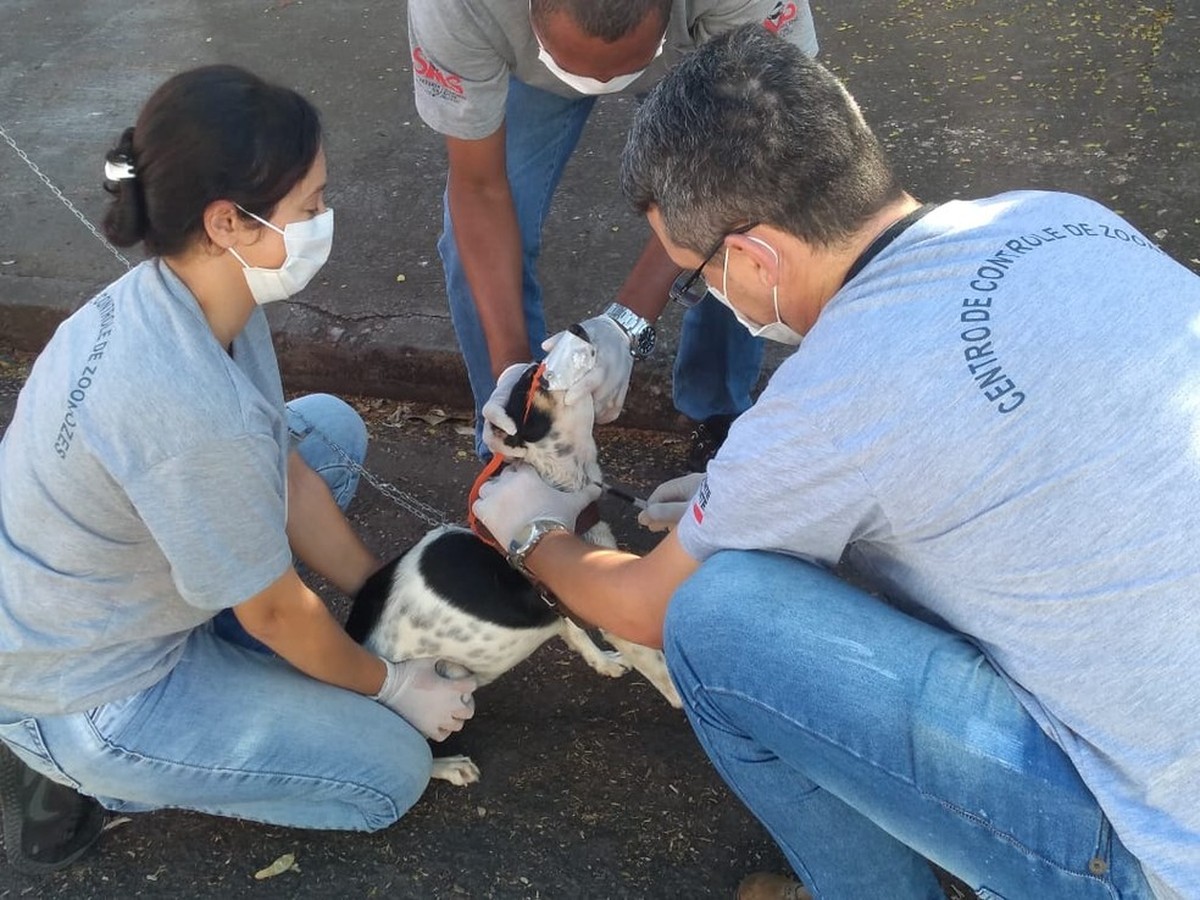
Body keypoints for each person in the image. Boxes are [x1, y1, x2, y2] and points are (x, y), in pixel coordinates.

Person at [472, 25, 1200, 900]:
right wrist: (748, 499)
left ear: (752, 258)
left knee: (717, 620)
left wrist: (531, 535)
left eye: (698, 278)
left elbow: (642, 609)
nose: (712, 293)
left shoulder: (834, 392)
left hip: (1158, 853)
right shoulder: (1058, 217)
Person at [0, 65, 477, 875]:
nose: (326, 220)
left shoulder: (193, 298)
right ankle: (91, 773)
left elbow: (284, 469)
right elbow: (278, 616)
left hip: (81, 593)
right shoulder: (189, 409)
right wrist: (390, 684)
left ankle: (221, 681)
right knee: (389, 777)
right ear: (228, 222)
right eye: (311, 206)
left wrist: (384, 589)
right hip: (94, 688)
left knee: (327, 430)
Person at [406, 0, 818, 468]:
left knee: (752, 226)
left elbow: (749, 162)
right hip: (530, 68)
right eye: (576, 67)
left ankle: (719, 415)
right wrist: (515, 375)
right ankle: (517, 451)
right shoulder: (456, 8)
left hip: (693, 60)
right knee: (469, 250)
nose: (601, 84)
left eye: (620, 68)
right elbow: (479, 188)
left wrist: (624, 325)